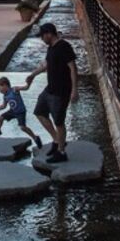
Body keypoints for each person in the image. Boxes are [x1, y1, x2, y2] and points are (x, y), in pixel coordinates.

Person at [22, 22, 77, 163]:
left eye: (42, 36)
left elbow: (73, 68)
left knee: (59, 122)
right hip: (49, 89)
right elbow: (46, 65)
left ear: (49, 34)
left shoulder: (64, 46)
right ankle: (57, 141)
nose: (42, 39)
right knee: (39, 112)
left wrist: (75, 90)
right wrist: (33, 75)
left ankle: (61, 152)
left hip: (61, 91)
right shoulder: (51, 48)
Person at [0, 76, 43, 148]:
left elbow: (26, 88)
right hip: (12, 111)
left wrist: (29, 82)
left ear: (5, 85)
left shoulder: (14, 89)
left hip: (20, 112)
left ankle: (35, 138)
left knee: (23, 128)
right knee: (0, 118)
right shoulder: (5, 96)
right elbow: (3, 106)